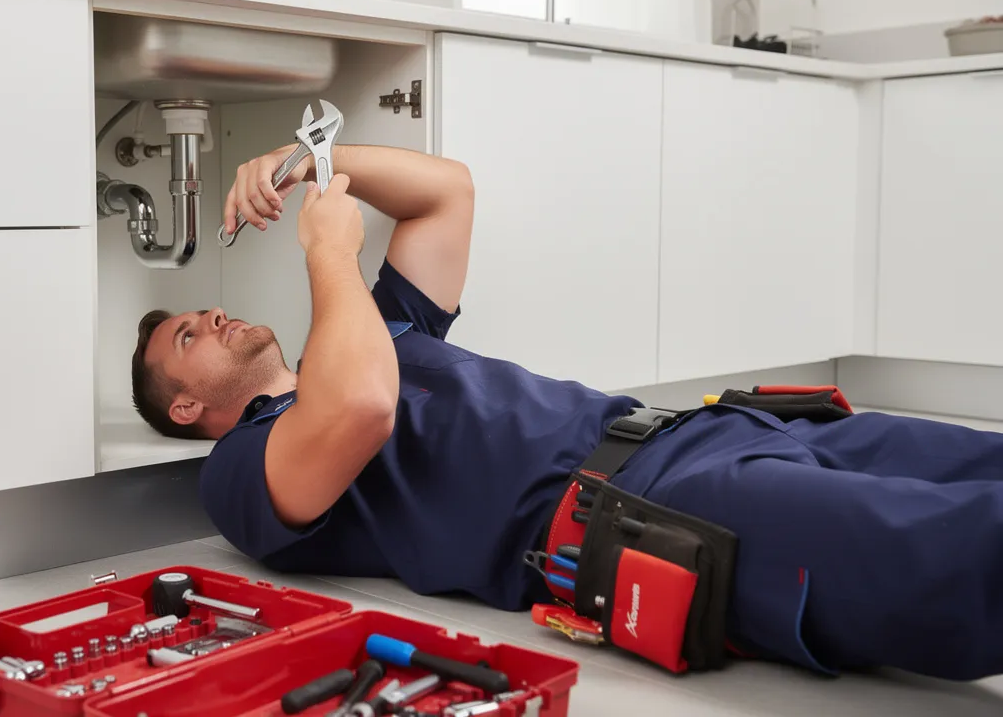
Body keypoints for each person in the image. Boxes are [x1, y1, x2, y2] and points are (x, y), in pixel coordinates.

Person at [129, 143, 1003, 682]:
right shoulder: (240, 471)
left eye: (199, 312)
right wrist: (330, 250)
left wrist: (308, 160)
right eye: (182, 339)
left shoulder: (376, 330)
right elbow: (359, 406)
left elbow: (447, 191)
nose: (207, 317)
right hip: (648, 521)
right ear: (186, 404)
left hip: (700, 430)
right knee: (960, 557)